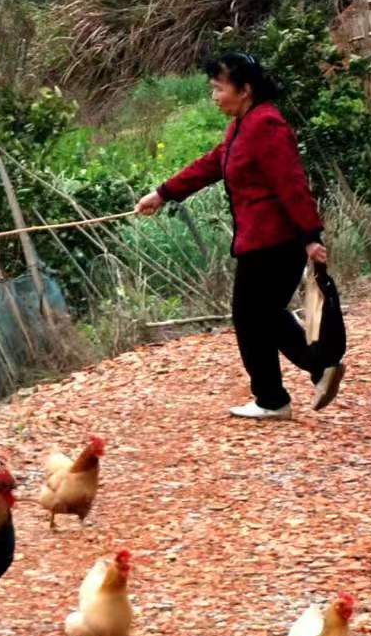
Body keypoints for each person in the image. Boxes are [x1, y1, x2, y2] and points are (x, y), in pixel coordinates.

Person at [135, 52, 345, 421]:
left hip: (275, 242)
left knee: (253, 316)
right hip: (257, 241)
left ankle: (284, 390)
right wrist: (163, 193)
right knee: (260, 315)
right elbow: (213, 164)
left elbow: (291, 183)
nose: (214, 96)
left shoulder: (266, 125)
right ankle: (305, 376)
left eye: (219, 88)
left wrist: (310, 236)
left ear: (245, 89)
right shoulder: (240, 127)